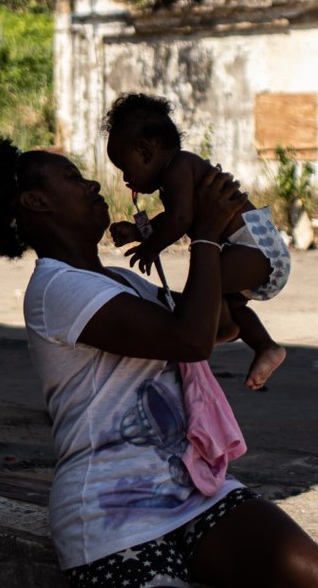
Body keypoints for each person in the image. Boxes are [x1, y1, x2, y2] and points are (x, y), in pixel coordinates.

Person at [0, 138, 318, 588]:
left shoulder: (120, 281)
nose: (93, 183)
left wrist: (218, 227)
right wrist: (204, 236)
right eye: (73, 178)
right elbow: (191, 340)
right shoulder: (56, 289)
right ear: (36, 201)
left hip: (191, 489)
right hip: (110, 510)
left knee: (305, 573)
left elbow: (216, 325)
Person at [104, 93, 291, 391]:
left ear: (145, 150)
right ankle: (266, 346)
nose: (126, 179)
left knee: (204, 288)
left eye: (125, 168)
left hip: (255, 248)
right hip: (248, 252)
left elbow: (179, 220)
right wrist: (140, 232)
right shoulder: (174, 177)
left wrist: (151, 246)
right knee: (226, 304)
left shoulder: (179, 167)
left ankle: (196, 332)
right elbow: (178, 217)